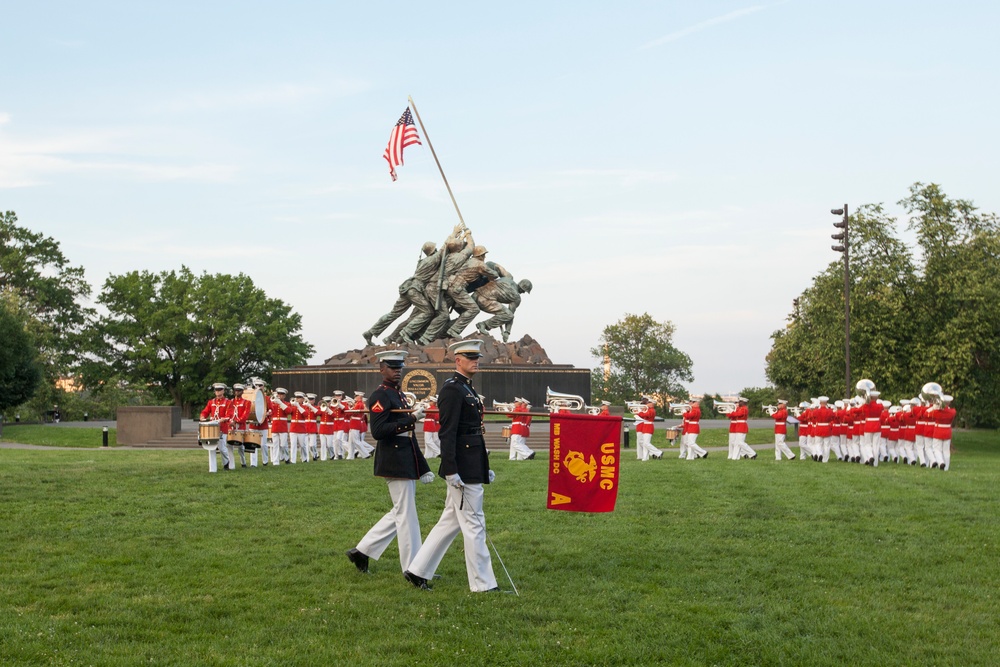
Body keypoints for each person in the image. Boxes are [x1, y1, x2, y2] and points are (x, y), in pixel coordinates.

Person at [404, 339, 499, 593]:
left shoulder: (467, 389)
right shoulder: (453, 390)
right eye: (470, 357)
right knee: (474, 524)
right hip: (462, 468)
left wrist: (483, 464)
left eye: (477, 357)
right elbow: (448, 433)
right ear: (457, 360)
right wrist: (451, 469)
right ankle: (483, 584)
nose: (476, 361)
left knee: (451, 521)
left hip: (471, 463)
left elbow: (474, 433)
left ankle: (417, 571)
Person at [347, 350, 434, 575]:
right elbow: (378, 431)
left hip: (404, 458)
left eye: (400, 368)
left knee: (401, 512)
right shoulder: (380, 396)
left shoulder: (399, 395)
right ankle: (414, 568)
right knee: (406, 516)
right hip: (394, 460)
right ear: (381, 369)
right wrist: (412, 418)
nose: (397, 372)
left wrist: (423, 466)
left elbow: (409, 434)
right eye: (392, 368)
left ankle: (362, 551)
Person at [200, 383, 234, 470]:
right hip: (212, 427)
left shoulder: (228, 402)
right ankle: (212, 469)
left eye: (219, 390)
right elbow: (205, 411)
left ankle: (226, 462)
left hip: (222, 427)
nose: (217, 392)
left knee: (222, 448)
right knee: (211, 447)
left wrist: (224, 419)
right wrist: (202, 416)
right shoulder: (211, 402)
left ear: (223, 391)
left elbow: (229, 414)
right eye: (216, 390)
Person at [229, 383, 251, 468]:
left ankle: (243, 461)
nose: (237, 392)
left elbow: (245, 415)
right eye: (236, 390)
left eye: (239, 390)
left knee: (240, 446)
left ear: (242, 392)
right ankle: (231, 464)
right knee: (229, 445)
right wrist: (231, 422)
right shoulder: (230, 402)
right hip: (230, 425)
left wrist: (237, 421)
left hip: (240, 426)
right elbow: (228, 413)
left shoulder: (246, 402)